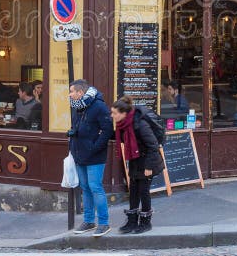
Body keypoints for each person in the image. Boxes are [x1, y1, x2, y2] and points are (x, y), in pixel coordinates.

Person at [111, 96, 165, 234]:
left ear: (124, 113)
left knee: (143, 191)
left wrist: (148, 167)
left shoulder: (140, 124)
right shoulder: (123, 124)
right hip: (135, 159)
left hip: (147, 160)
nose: (112, 116)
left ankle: (146, 222)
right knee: (134, 190)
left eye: (115, 113)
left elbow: (153, 146)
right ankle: (132, 221)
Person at [68, 79, 113, 237]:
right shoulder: (77, 107)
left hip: (94, 155)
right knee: (85, 188)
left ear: (80, 92)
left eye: (72, 91)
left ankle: (103, 223)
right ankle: (88, 221)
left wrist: (94, 147)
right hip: (79, 153)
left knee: (95, 188)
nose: (70, 94)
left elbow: (108, 130)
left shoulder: (98, 106)